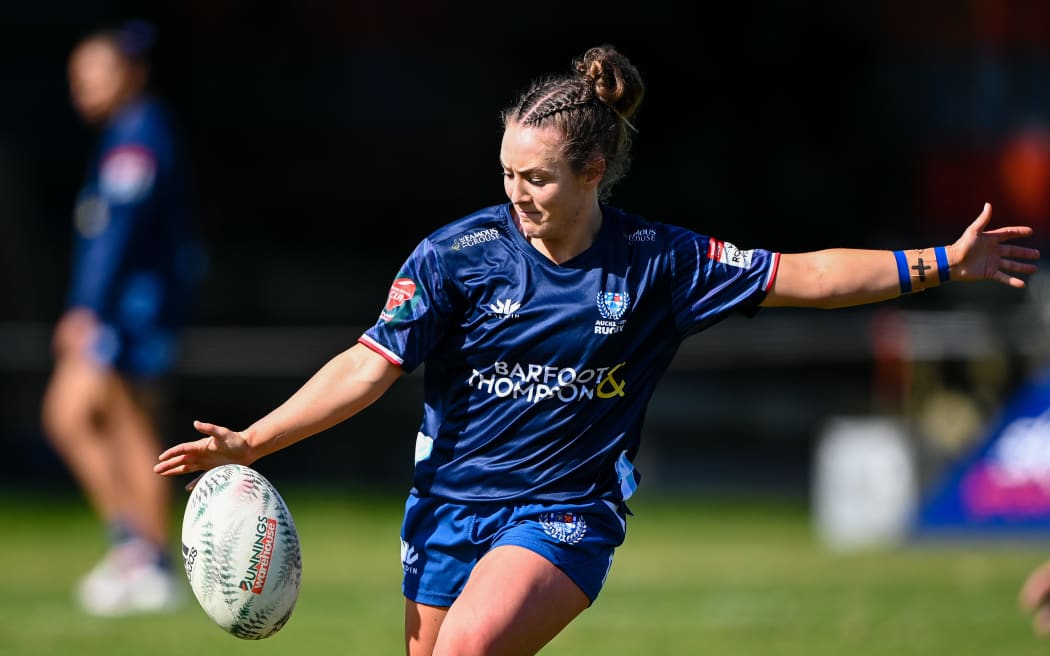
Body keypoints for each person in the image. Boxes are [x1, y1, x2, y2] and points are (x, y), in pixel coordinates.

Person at [155, 45, 1039, 655]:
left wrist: (939, 264)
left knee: (468, 647)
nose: (515, 194)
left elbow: (802, 275)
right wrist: (252, 442)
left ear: (589, 172)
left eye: (534, 178)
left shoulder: (660, 262)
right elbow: (368, 363)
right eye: (505, 174)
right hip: (446, 509)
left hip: (562, 514)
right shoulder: (456, 255)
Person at [42, 21, 200, 617]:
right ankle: (137, 550)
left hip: (132, 309)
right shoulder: (125, 133)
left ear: (130, 74)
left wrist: (86, 308)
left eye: (95, 74)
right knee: (88, 416)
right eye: (76, 77)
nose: (82, 87)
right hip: (125, 306)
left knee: (115, 421)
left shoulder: (138, 134)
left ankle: (150, 559)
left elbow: (118, 234)